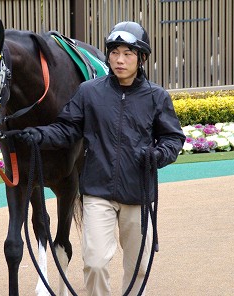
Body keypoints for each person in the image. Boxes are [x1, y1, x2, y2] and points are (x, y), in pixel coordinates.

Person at [18, 21, 185, 296]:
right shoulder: (89, 92)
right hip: (97, 193)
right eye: (114, 52)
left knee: (140, 268)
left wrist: (158, 155)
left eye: (128, 53)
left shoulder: (157, 97)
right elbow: (67, 129)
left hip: (138, 194)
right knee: (94, 264)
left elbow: (173, 139)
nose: (119, 60)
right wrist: (39, 135)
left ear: (141, 58)